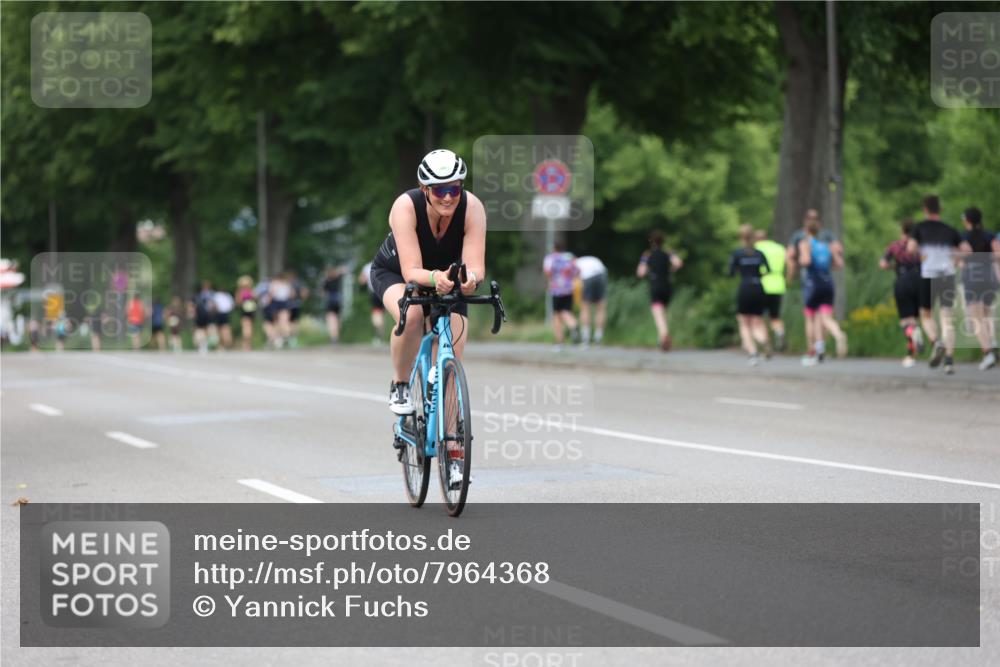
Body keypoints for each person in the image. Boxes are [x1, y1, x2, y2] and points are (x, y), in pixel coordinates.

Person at [368, 149, 485, 418]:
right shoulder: (405, 206)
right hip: (396, 273)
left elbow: (476, 266)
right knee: (412, 316)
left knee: (452, 358)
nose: (447, 197)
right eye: (439, 190)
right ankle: (400, 383)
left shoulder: (473, 207)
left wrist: (470, 281)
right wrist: (435, 278)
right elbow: (411, 271)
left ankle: (454, 447)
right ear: (424, 189)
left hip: (447, 280)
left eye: (454, 190)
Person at [907, 195, 962, 374]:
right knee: (947, 319)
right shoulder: (950, 230)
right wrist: (954, 262)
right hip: (947, 275)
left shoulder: (919, 228)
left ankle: (935, 341)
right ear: (941, 209)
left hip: (928, 275)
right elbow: (966, 250)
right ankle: (949, 361)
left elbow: (911, 249)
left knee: (926, 315)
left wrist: (921, 254)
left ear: (925, 209)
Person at [798, 217, 847, 365]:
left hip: (813, 283)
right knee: (824, 318)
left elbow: (805, 261)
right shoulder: (826, 245)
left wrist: (802, 259)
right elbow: (839, 263)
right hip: (828, 283)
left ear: (806, 230)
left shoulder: (806, 243)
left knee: (811, 318)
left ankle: (811, 350)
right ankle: (837, 335)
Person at [957, 207, 998, 370]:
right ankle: (992, 342)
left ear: (967, 220)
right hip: (990, 277)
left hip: (973, 277)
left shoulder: (962, 237)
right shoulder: (990, 235)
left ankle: (987, 353)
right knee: (987, 314)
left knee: (976, 318)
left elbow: (960, 257)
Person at [880, 219, 924, 367]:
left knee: (906, 321)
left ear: (902, 231)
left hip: (903, 281)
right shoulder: (920, 246)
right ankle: (911, 355)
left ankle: (913, 337)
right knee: (916, 320)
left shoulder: (895, 246)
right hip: (920, 281)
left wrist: (895, 266)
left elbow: (883, 264)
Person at [730, 225, 771, 365]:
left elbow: (731, 272)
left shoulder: (737, 254)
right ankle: (764, 341)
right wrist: (758, 274)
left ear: (741, 237)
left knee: (744, 322)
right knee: (757, 322)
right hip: (758, 288)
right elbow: (768, 270)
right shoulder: (759, 253)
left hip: (745, 288)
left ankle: (752, 353)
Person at [636, 230, 682, 351]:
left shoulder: (647, 255)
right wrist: (670, 271)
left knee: (657, 313)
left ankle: (663, 334)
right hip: (667, 285)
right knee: (664, 312)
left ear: (651, 241)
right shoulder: (668, 253)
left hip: (655, 285)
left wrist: (648, 271)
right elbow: (678, 263)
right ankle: (661, 340)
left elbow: (640, 273)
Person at [753, 229, 787, 351]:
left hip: (762, 284)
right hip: (778, 283)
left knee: (760, 317)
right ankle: (779, 331)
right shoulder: (779, 248)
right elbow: (789, 262)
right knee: (775, 316)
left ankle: (766, 343)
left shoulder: (756, 248)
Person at [543, 242, 580, 350]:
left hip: (557, 290)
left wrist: (552, 280)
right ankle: (573, 325)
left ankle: (559, 342)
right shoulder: (569, 257)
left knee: (557, 315)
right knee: (566, 311)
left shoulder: (550, 258)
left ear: (554, 248)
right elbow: (577, 271)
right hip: (569, 289)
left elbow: (547, 271)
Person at [575, 255, 608, 347]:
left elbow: (576, 279)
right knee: (601, 308)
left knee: (585, 308)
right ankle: (598, 336)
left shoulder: (576, 263)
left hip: (587, 277)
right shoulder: (591, 259)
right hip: (601, 275)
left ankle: (586, 338)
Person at [359, 261, 386, 345]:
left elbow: (361, 280)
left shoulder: (367, 267)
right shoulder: (384, 264)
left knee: (376, 313)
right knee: (382, 313)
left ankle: (378, 335)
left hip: (374, 292)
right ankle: (381, 333)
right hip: (386, 291)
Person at [322, 265, 348, 344]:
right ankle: (336, 335)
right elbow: (344, 269)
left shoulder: (327, 281)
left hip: (330, 301)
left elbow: (323, 293)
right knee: (337, 320)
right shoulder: (337, 279)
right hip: (338, 301)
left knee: (331, 320)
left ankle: (334, 337)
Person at [268, 273, 294, 348]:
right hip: (284, 302)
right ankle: (287, 337)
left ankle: (279, 338)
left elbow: (271, 294)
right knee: (284, 321)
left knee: (277, 321)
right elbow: (291, 295)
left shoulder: (274, 284)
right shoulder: (287, 284)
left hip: (276, 302)